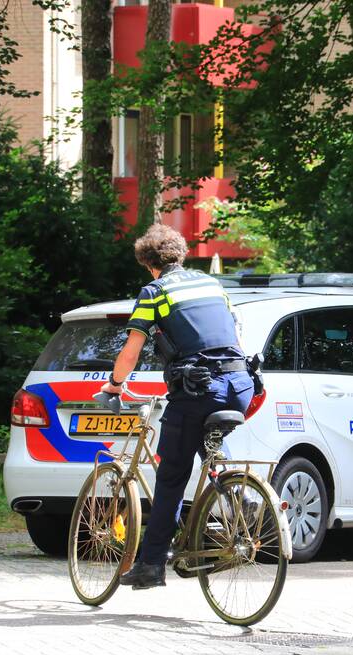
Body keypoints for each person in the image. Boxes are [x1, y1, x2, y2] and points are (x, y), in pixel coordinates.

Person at [102, 223, 255, 590]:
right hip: (241, 384)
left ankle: (151, 566)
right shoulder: (211, 284)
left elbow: (132, 350)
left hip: (200, 389)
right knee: (208, 435)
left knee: (171, 475)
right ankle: (236, 488)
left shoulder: (155, 291)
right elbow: (234, 335)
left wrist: (115, 384)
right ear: (180, 254)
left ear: (148, 263)